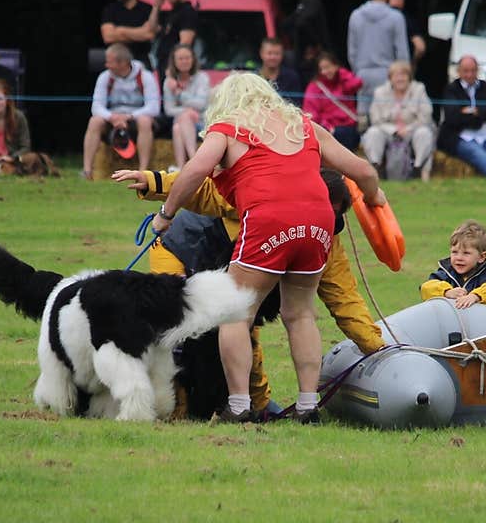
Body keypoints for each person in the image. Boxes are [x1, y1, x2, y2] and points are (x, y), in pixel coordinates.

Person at [124, 72, 384, 424]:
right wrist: (374, 197)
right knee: (301, 315)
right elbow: (363, 170)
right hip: (318, 223)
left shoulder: (228, 128)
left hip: (268, 221)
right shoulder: (304, 126)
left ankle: (240, 405)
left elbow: (196, 170)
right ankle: (308, 406)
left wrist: (165, 214)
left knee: (236, 313)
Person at [112, 166, 386, 417]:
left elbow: (345, 299)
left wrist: (379, 348)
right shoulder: (259, 197)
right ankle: (173, 408)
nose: (322, 218)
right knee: (179, 334)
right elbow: (204, 187)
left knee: (244, 327)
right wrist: (152, 182)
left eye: (332, 217)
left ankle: (259, 404)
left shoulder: (324, 238)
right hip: (179, 252)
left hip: (230, 268)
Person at [82, 43, 160, 180]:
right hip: (113, 118)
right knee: (95, 121)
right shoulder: (105, 77)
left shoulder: (145, 76)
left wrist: (129, 117)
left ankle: (143, 171)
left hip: (136, 118)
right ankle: (87, 171)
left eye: (110, 62)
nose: (106, 65)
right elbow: (96, 106)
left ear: (123, 63)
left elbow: (154, 107)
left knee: (145, 121)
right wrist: (113, 117)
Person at [361, 60, 435, 180]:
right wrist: (394, 130)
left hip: (412, 130)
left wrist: (407, 129)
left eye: (404, 75)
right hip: (388, 131)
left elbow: (426, 116)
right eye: (396, 75)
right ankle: (375, 169)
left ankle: (420, 170)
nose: (400, 79)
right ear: (390, 78)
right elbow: (375, 119)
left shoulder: (419, 89)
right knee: (373, 133)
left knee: (424, 133)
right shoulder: (380, 92)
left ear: (409, 77)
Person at [347, 0, 410, 116]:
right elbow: (402, 53)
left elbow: (352, 51)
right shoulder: (396, 17)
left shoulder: (355, 16)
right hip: (388, 74)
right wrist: (403, 75)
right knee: (389, 117)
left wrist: (357, 71)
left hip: (362, 74)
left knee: (364, 118)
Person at [420, 219, 486, 308]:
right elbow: (426, 288)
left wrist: (476, 296)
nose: (459, 258)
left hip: (477, 320)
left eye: (466, 253)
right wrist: (446, 292)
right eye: (454, 252)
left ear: (481, 257)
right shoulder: (445, 273)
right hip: (449, 320)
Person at [282, 0, 333, 86]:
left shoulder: (304, 1)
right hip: (311, 65)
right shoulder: (312, 2)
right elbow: (300, 23)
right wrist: (315, 45)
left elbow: (287, 24)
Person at [100, 0, 162, 69]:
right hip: (117, 60)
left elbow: (149, 34)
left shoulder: (147, 9)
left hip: (141, 59)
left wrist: (120, 31)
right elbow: (108, 37)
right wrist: (140, 32)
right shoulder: (110, 9)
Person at [302, 52, 363, 151]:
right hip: (328, 129)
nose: (325, 71)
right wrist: (327, 126)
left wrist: (342, 73)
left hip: (349, 128)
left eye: (328, 67)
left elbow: (357, 83)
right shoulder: (315, 86)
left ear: (336, 66)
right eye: (321, 69)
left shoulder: (343, 82)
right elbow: (311, 113)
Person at [163, 43, 210, 171]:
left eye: (187, 58)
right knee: (179, 125)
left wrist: (180, 93)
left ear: (193, 59)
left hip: (201, 121)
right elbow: (168, 110)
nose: (184, 61)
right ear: (174, 61)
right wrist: (186, 110)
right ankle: (189, 164)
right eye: (180, 58)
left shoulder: (202, 78)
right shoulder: (169, 82)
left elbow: (201, 105)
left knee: (181, 120)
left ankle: (187, 164)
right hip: (182, 122)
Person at [154, 0, 198, 91]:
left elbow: (185, 42)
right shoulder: (171, 13)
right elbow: (151, 30)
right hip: (163, 63)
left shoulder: (187, 12)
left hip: (175, 67)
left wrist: (172, 67)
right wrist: (156, 7)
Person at [387, 0, 427, 70]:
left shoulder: (374, 20)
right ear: (402, 0)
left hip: (380, 69)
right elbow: (420, 47)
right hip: (401, 70)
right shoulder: (407, 19)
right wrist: (412, 63)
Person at [257, 37, 303, 107]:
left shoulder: (292, 77)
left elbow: (297, 105)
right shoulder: (254, 78)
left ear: (282, 55)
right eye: (269, 53)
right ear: (261, 53)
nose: (273, 57)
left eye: (277, 53)